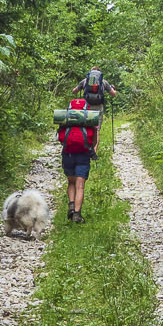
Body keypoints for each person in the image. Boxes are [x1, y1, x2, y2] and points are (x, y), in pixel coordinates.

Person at [59, 67, 117, 222]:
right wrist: (112, 90)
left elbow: (73, 91)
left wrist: (78, 92)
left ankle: (71, 205)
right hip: (97, 108)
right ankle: (92, 150)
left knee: (71, 181)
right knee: (95, 130)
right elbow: (113, 93)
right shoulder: (103, 81)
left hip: (84, 108)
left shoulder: (85, 80)